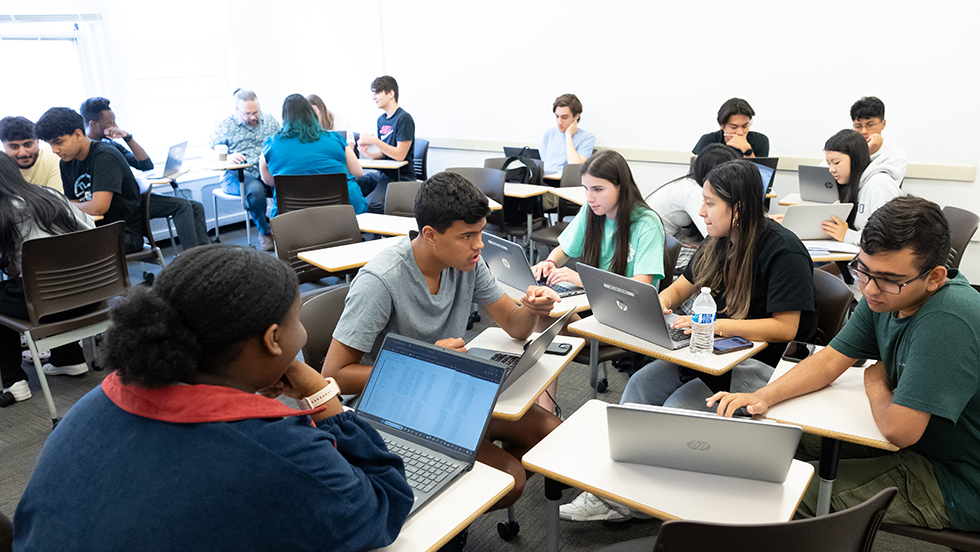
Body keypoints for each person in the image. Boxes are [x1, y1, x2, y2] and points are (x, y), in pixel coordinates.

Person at [13, 245, 414, 550]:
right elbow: (386, 501)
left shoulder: (92, 403)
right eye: (298, 321)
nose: (303, 334)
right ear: (273, 340)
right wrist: (321, 395)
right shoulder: (278, 449)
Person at [560, 160, 817, 523]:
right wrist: (656, 305)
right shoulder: (718, 242)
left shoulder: (782, 251)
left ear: (738, 210)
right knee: (641, 385)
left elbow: (787, 328)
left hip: (763, 363)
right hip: (709, 352)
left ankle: (643, 501)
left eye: (710, 203)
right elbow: (682, 285)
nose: (701, 211)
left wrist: (719, 326)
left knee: (679, 408)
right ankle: (620, 489)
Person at [710, 196, 980, 532]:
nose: (868, 288)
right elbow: (830, 360)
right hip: (912, 445)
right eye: (862, 271)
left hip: (956, 479)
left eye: (887, 279)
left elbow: (901, 429)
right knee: (767, 441)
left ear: (935, 277)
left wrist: (875, 380)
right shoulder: (886, 293)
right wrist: (766, 396)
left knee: (781, 494)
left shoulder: (947, 319)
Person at [321, 171, 561, 511]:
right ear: (430, 235)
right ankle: (441, 499)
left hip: (448, 386)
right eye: (467, 236)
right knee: (511, 480)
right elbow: (335, 374)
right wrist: (423, 361)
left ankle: (454, 481)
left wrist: (531, 307)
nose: (479, 245)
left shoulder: (468, 263)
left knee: (551, 432)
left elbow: (516, 326)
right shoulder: (381, 280)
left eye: (480, 232)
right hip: (394, 401)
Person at [0, 153, 95, 398]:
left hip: (48, 305)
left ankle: (14, 383)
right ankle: (69, 358)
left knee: (13, 293)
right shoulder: (49, 194)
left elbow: (9, 267)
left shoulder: (5, 210)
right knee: (46, 281)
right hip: (95, 294)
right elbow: (93, 231)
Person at [80, 97, 211, 249]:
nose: (115, 126)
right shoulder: (93, 153)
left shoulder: (110, 145)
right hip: (124, 205)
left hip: (133, 198)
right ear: (93, 124)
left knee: (196, 206)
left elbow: (145, 164)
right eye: (110, 123)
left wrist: (127, 137)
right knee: (182, 205)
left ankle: (205, 253)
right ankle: (193, 258)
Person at [532, 150, 665, 288]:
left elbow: (642, 283)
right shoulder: (590, 210)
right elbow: (565, 249)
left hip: (628, 305)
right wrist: (550, 263)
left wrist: (587, 281)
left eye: (598, 189)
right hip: (596, 297)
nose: (589, 198)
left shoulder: (647, 223)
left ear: (621, 187)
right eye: (586, 188)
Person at [33, 107, 145, 255]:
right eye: (50, 144)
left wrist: (60, 206)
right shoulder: (67, 162)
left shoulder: (105, 156)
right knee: (41, 244)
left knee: (58, 252)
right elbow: (72, 203)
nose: (54, 150)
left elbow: (98, 207)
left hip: (123, 234)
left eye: (58, 142)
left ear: (78, 134)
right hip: (92, 229)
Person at [259, 94, 367, 216]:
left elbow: (269, 181)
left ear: (285, 118)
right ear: (311, 114)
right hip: (343, 212)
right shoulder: (336, 138)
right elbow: (358, 172)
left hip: (293, 216)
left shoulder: (270, 145)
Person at [646, 144, 742, 272]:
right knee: (714, 260)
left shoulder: (689, 183)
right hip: (656, 249)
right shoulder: (694, 192)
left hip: (666, 241)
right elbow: (712, 237)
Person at [207, 89, 281, 251]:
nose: (253, 117)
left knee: (285, 184)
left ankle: (285, 231)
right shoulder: (225, 125)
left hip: (265, 170)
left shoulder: (269, 121)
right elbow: (208, 152)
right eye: (248, 114)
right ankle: (265, 233)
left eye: (256, 112)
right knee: (256, 190)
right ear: (236, 110)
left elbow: (281, 143)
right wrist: (227, 158)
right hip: (236, 175)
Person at [820, 129, 903, 245]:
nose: (831, 170)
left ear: (855, 159)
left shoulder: (880, 185)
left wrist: (848, 235)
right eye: (829, 164)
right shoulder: (850, 184)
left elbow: (888, 235)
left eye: (836, 163)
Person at [356, 76, 416, 213]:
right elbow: (384, 153)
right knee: (353, 187)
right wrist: (368, 154)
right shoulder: (381, 120)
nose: (373, 97)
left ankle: (380, 233)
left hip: (400, 177)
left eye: (377, 92)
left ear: (390, 94)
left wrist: (374, 141)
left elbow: (400, 155)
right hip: (383, 174)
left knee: (372, 204)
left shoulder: (404, 119)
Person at [850, 96, 907, 182]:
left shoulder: (896, 154)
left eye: (870, 125)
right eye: (858, 126)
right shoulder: (845, 148)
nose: (864, 131)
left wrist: (867, 152)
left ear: (883, 124)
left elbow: (882, 186)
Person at [692, 98, 769, 158]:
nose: (740, 132)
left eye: (745, 126)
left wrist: (747, 151)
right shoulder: (708, 140)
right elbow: (697, 173)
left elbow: (761, 176)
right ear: (721, 125)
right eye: (734, 127)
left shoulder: (760, 141)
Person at [0, 116, 62, 191]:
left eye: (28, 145)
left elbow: (56, 199)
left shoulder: (53, 159)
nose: (23, 153)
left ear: (37, 141)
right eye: (14, 147)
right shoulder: (2, 163)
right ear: (4, 146)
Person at [540, 93, 596, 175]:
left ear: (576, 116)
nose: (559, 122)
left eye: (564, 117)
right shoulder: (550, 133)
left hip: (567, 183)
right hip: (544, 181)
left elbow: (575, 166)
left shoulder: (587, 138)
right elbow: (544, 164)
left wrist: (568, 135)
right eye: (557, 116)